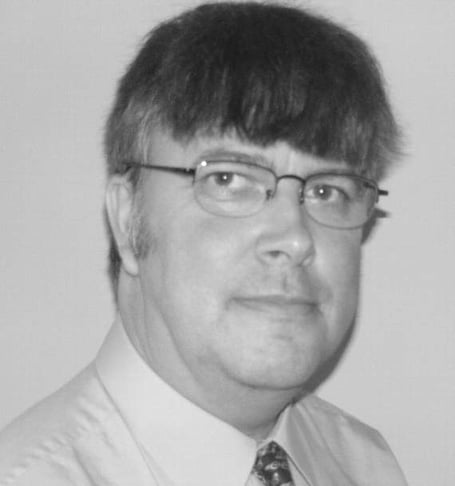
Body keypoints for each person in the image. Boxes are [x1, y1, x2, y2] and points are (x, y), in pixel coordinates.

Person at [0, 2, 408, 485]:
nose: (295, 238)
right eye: (228, 179)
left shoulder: (367, 465)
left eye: (327, 191)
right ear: (128, 220)